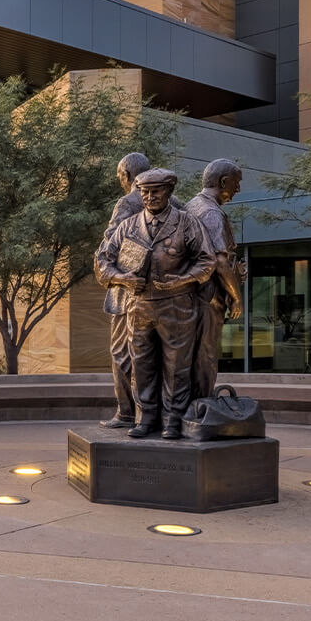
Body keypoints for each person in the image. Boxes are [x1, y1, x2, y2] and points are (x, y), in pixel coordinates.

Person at [95, 168, 215, 438]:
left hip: (177, 307)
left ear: (169, 192)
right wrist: (122, 279)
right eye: (144, 192)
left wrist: (182, 281)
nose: (149, 197)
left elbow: (206, 261)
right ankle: (145, 418)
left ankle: (172, 421)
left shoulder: (186, 223)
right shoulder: (128, 225)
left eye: (156, 191)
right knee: (141, 365)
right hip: (138, 307)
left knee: (177, 367)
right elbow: (102, 261)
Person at [95, 152, 151, 428]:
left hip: (126, 291)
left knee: (121, 354)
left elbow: (109, 246)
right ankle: (150, 413)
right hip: (159, 295)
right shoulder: (175, 204)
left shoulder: (127, 202)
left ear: (127, 176)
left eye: (119, 176)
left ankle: (127, 412)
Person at [185, 159, 245, 402]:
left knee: (195, 354)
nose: (238, 189)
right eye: (236, 183)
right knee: (206, 354)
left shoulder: (191, 206)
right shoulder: (210, 212)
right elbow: (219, 262)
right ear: (223, 182)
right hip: (208, 298)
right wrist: (237, 297)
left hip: (193, 297)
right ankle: (202, 407)